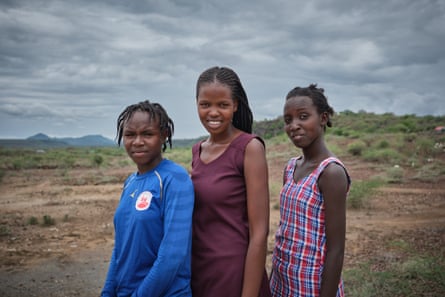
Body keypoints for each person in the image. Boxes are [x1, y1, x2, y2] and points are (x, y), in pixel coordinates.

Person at [191, 66, 271, 297]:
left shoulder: (249, 147)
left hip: (235, 274)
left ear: (235, 105)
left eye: (222, 105)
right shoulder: (198, 151)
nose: (213, 112)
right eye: (205, 104)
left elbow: (259, 234)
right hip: (200, 271)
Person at [101, 100, 194, 297]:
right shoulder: (130, 182)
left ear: (164, 135)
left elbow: (172, 256)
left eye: (147, 134)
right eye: (130, 134)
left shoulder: (174, 178)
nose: (137, 141)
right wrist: (107, 292)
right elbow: (120, 249)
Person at [269, 84, 351, 297]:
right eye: (288, 120)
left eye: (303, 117)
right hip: (282, 280)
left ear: (323, 118)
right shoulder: (291, 167)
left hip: (311, 285)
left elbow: (336, 250)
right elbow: (285, 230)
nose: (294, 125)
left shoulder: (331, 172)